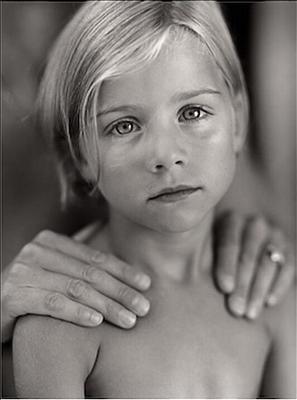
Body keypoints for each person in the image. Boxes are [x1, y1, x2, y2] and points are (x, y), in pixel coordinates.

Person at [11, 1, 296, 398]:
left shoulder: (271, 288)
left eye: (193, 112)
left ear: (239, 120)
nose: (166, 155)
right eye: (123, 125)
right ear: (80, 158)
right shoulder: (59, 321)